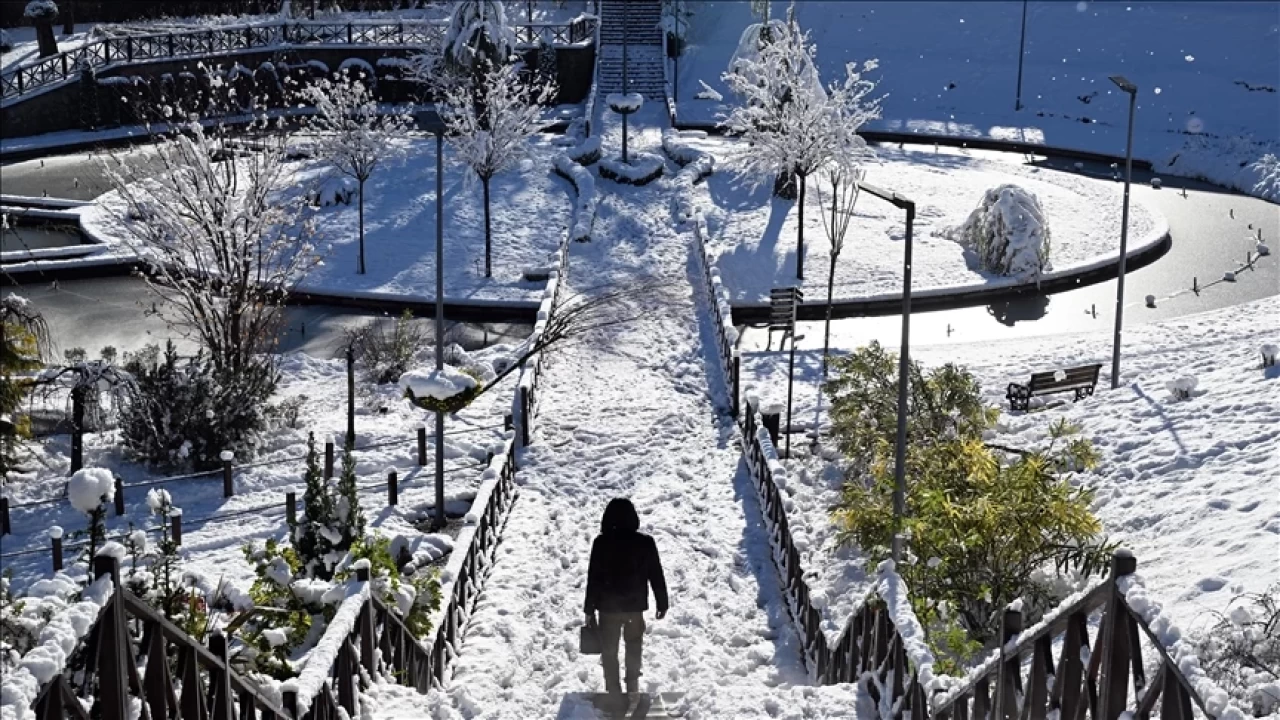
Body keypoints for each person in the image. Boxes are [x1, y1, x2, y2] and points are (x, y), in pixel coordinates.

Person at [584, 498, 668, 705]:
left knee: (609, 651)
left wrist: (589, 609)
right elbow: (655, 573)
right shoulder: (645, 542)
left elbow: (593, 577)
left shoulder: (601, 543)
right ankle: (632, 688)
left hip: (608, 609)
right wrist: (662, 602)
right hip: (634, 608)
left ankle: (613, 692)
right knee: (634, 646)